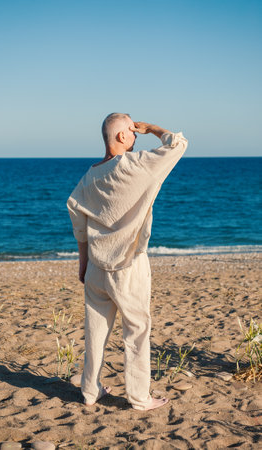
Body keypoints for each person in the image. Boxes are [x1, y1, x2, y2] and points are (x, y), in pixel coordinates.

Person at [67, 113, 188, 410]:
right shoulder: (135, 165)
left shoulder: (89, 176)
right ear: (122, 137)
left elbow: (78, 221)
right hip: (128, 266)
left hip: (96, 265)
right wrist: (154, 129)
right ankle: (138, 397)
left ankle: (91, 391)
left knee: (95, 331)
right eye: (133, 131)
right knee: (136, 330)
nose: (136, 135)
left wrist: (83, 264)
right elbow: (179, 145)